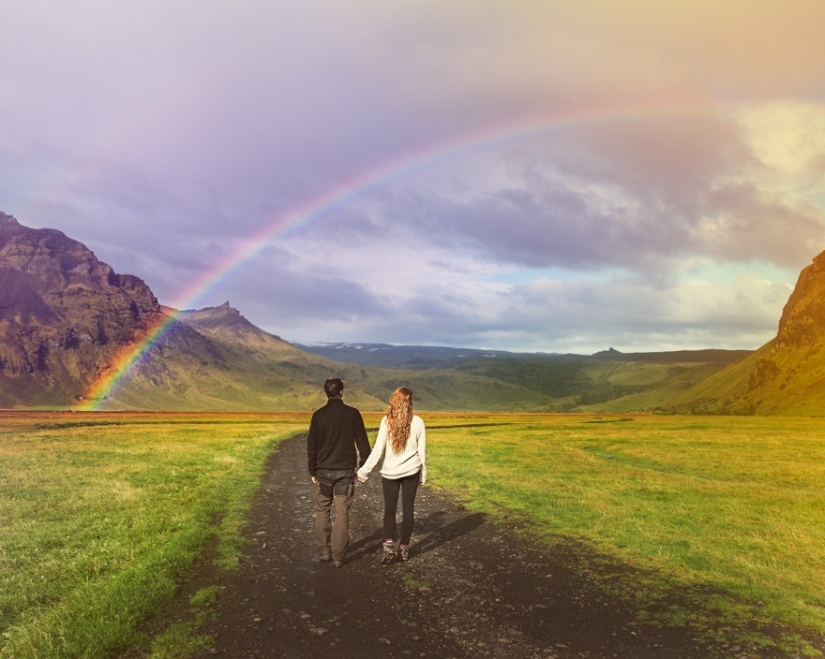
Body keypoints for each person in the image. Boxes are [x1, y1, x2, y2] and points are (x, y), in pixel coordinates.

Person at [357, 386, 426, 564]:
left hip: (390, 473)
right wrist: (423, 474)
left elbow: (378, 450)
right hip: (412, 471)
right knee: (408, 510)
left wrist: (364, 471)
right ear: (410, 402)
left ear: (394, 400)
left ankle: (388, 549)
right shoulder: (418, 422)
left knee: (390, 510)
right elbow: (422, 451)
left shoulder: (386, 421)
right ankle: (404, 548)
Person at [307, 377, 371, 568]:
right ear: (341, 392)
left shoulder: (318, 415)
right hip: (345, 472)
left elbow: (312, 447)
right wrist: (363, 468)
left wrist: (312, 469)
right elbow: (363, 444)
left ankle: (324, 552)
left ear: (326, 392)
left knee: (322, 509)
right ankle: (338, 556)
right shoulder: (353, 414)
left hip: (324, 472)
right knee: (342, 511)